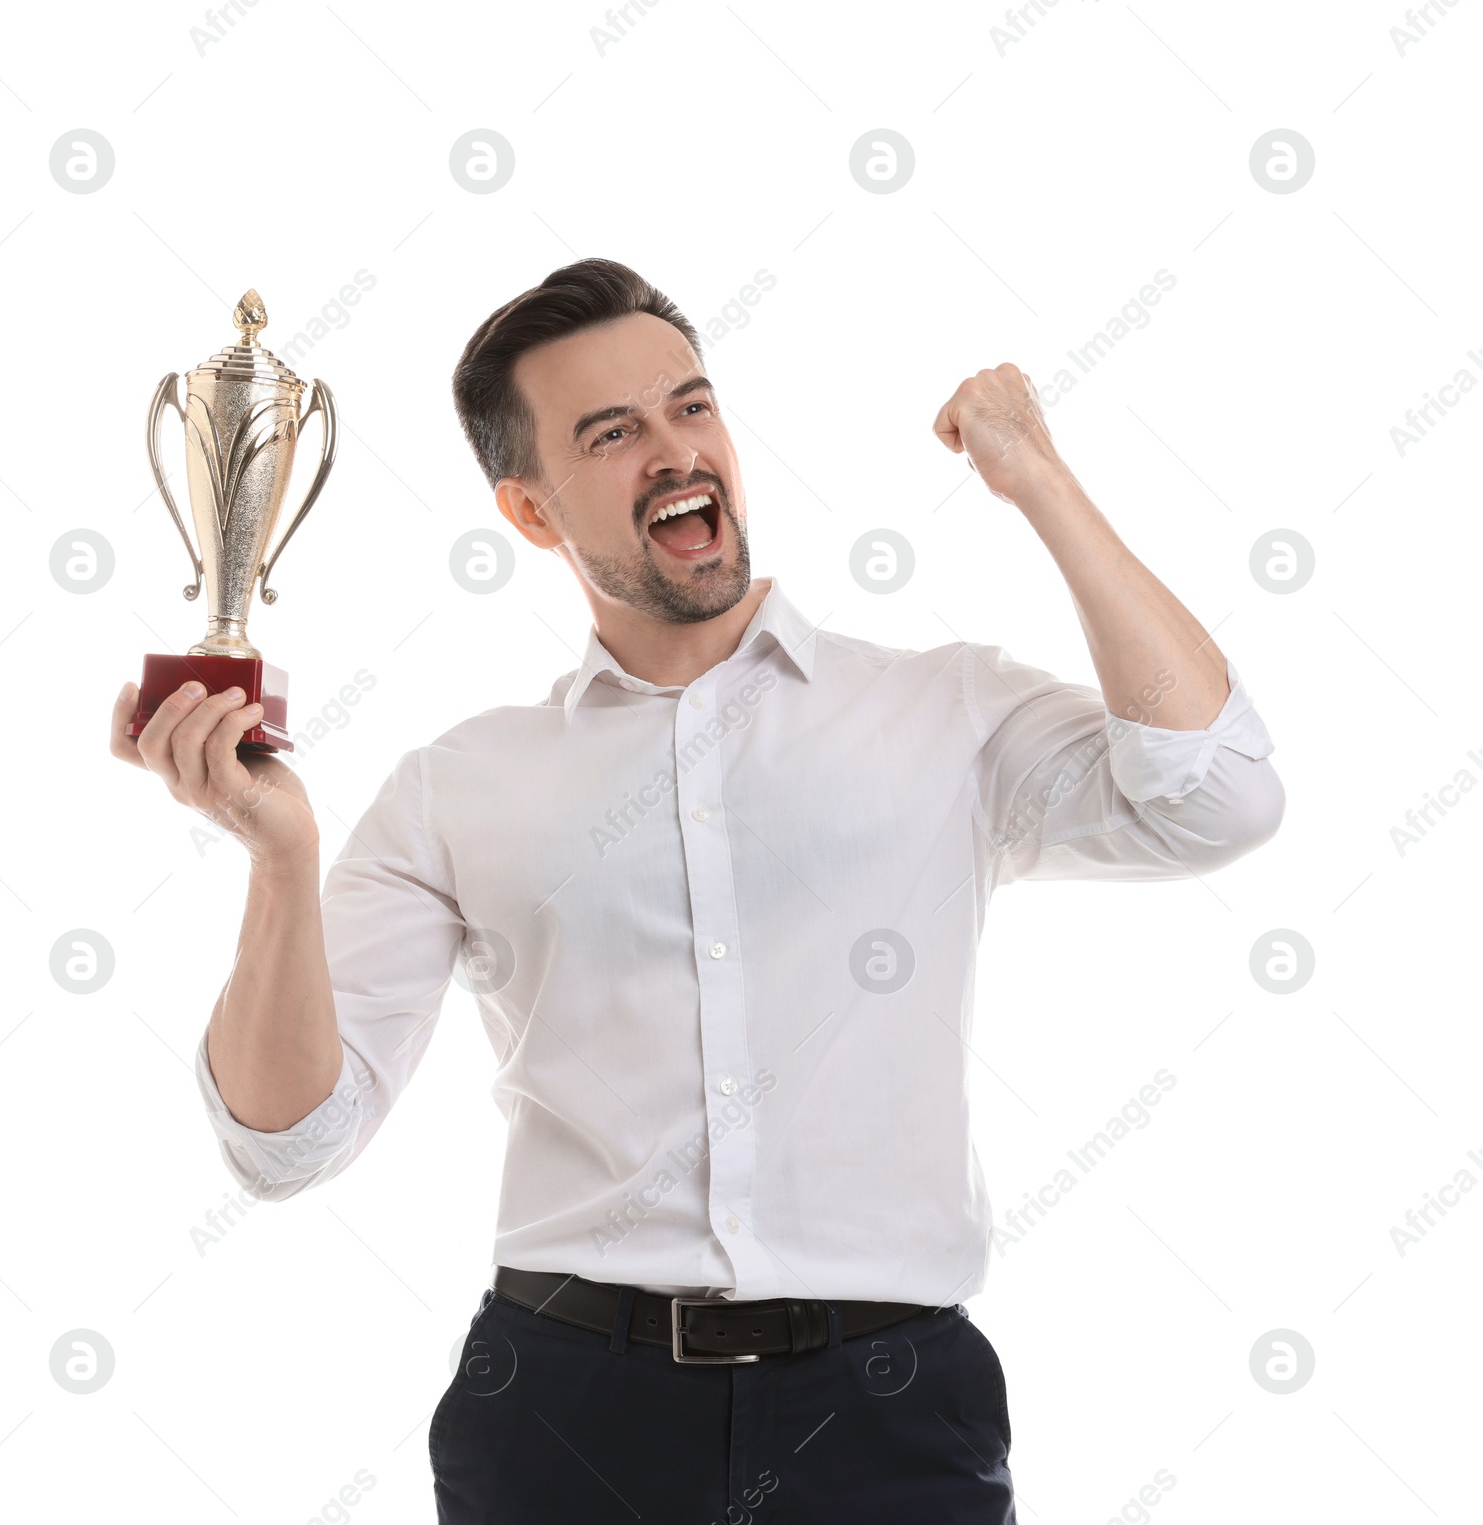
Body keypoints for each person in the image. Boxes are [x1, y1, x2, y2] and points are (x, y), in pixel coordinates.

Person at [110, 258, 1283, 1522]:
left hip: (890, 1413)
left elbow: (1218, 795)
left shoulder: (943, 710)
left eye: (690, 406)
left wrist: (1038, 481)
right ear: (530, 511)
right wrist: (280, 858)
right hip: (564, 1419)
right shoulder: (460, 784)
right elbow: (289, 1140)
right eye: (610, 434)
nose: (673, 453)